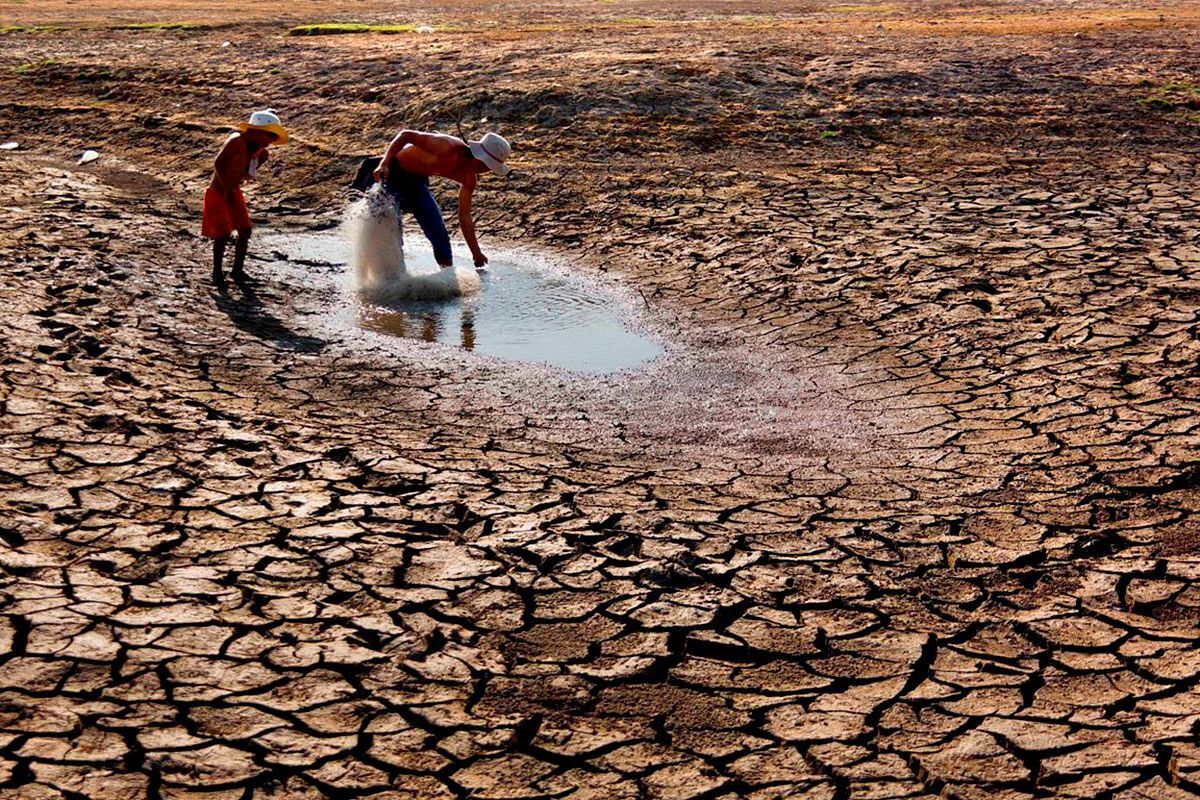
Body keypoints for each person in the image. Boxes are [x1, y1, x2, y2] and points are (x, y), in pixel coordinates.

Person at [371, 130, 511, 269]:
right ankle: (394, 278)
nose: (482, 169)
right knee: (392, 230)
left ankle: (447, 275)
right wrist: (384, 163)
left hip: (416, 183)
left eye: (488, 168)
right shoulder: (446, 146)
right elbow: (405, 135)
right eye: (482, 164)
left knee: (439, 233)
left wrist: (476, 253)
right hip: (390, 172)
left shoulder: (469, 179)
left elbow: (465, 217)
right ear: (476, 154)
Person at [202, 109, 288, 290]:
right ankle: (217, 273)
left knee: (245, 230)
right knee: (222, 234)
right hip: (220, 193)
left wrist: (258, 161)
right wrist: (227, 190)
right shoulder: (236, 141)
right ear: (258, 130)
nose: (271, 142)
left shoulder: (252, 149)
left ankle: (237, 270)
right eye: (271, 136)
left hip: (232, 191)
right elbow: (218, 163)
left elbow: (244, 176)